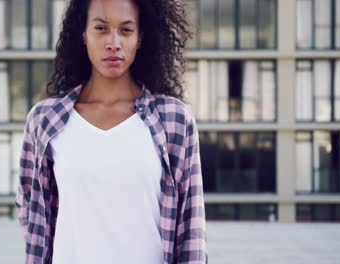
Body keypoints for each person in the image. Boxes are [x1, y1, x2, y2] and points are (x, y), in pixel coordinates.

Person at [16, 0, 208, 263]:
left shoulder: (173, 120)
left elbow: (191, 227)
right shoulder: (45, 120)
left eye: (126, 30)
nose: (113, 42)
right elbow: (32, 216)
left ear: (140, 38)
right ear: (83, 34)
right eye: (101, 28)